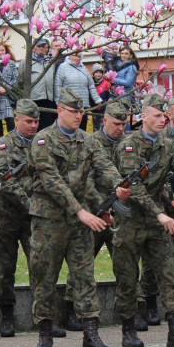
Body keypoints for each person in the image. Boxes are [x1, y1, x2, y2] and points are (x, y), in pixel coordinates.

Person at [28, 87, 130, 347]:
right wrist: (80, 212)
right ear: (60, 110)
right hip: (49, 220)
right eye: (74, 111)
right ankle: (45, 334)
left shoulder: (87, 141)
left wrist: (119, 184)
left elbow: (104, 165)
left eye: (82, 112)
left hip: (78, 224)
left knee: (85, 277)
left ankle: (90, 335)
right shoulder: (43, 140)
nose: (78, 116)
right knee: (44, 278)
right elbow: (52, 181)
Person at [111, 94, 174, 347]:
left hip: (155, 221)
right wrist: (160, 213)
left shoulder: (168, 145)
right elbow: (133, 185)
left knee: (168, 274)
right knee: (127, 276)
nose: (163, 120)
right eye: (158, 116)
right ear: (144, 117)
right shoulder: (128, 146)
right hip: (131, 219)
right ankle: (128, 329)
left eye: (164, 116)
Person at [63, 101, 131, 332]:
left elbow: (124, 177)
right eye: (116, 124)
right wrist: (101, 206)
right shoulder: (90, 142)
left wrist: (119, 200)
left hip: (119, 211)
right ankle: (72, 308)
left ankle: (130, 310)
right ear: (105, 121)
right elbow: (87, 180)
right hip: (94, 211)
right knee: (82, 263)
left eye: (124, 124)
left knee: (125, 262)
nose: (120, 129)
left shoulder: (128, 144)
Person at [0, 99, 45, 338]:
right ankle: (7, 315)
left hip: (33, 218)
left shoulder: (43, 144)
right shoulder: (3, 145)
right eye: (28, 121)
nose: (33, 126)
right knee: (4, 269)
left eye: (36, 122)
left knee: (40, 267)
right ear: (17, 119)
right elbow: (5, 180)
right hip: (6, 217)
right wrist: (32, 204)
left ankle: (43, 316)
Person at [54, 50, 102, 131]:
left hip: (83, 105)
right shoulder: (63, 67)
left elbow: (91, 85)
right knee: (70, 128)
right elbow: (57, 85)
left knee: (81, 130)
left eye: (79, 56)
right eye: (75, 55)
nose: (77, 58)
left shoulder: (83, 68)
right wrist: (59, 102)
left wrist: (97, 99)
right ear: (69, 56)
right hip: (69, 105)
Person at [27, 38, 57, 130]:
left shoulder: (51, 62)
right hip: (36, 99)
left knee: (50, 128)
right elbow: (21, 81)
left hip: (49, 99)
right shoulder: (27, 62)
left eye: (43, 46)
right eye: (38, 46)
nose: (41, 48)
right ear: (33, 47)